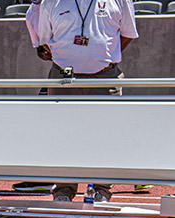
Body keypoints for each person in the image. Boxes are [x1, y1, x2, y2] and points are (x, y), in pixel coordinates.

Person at [37, 0, 139, 201]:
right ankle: (63, 190)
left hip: (105, 77)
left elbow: (127, 33)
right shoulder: (50, 2)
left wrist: (103, 57)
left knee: (106, 134)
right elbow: (45, 40)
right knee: (62, 134)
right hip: (63, 78)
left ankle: (101, 189)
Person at [11, 0, 57, 193]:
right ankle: (43, 176)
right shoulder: (35, 9)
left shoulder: (57, 5)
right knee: (43, 123)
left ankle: (130, 174)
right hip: (60, 69)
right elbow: (42, 46)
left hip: (75, 69)